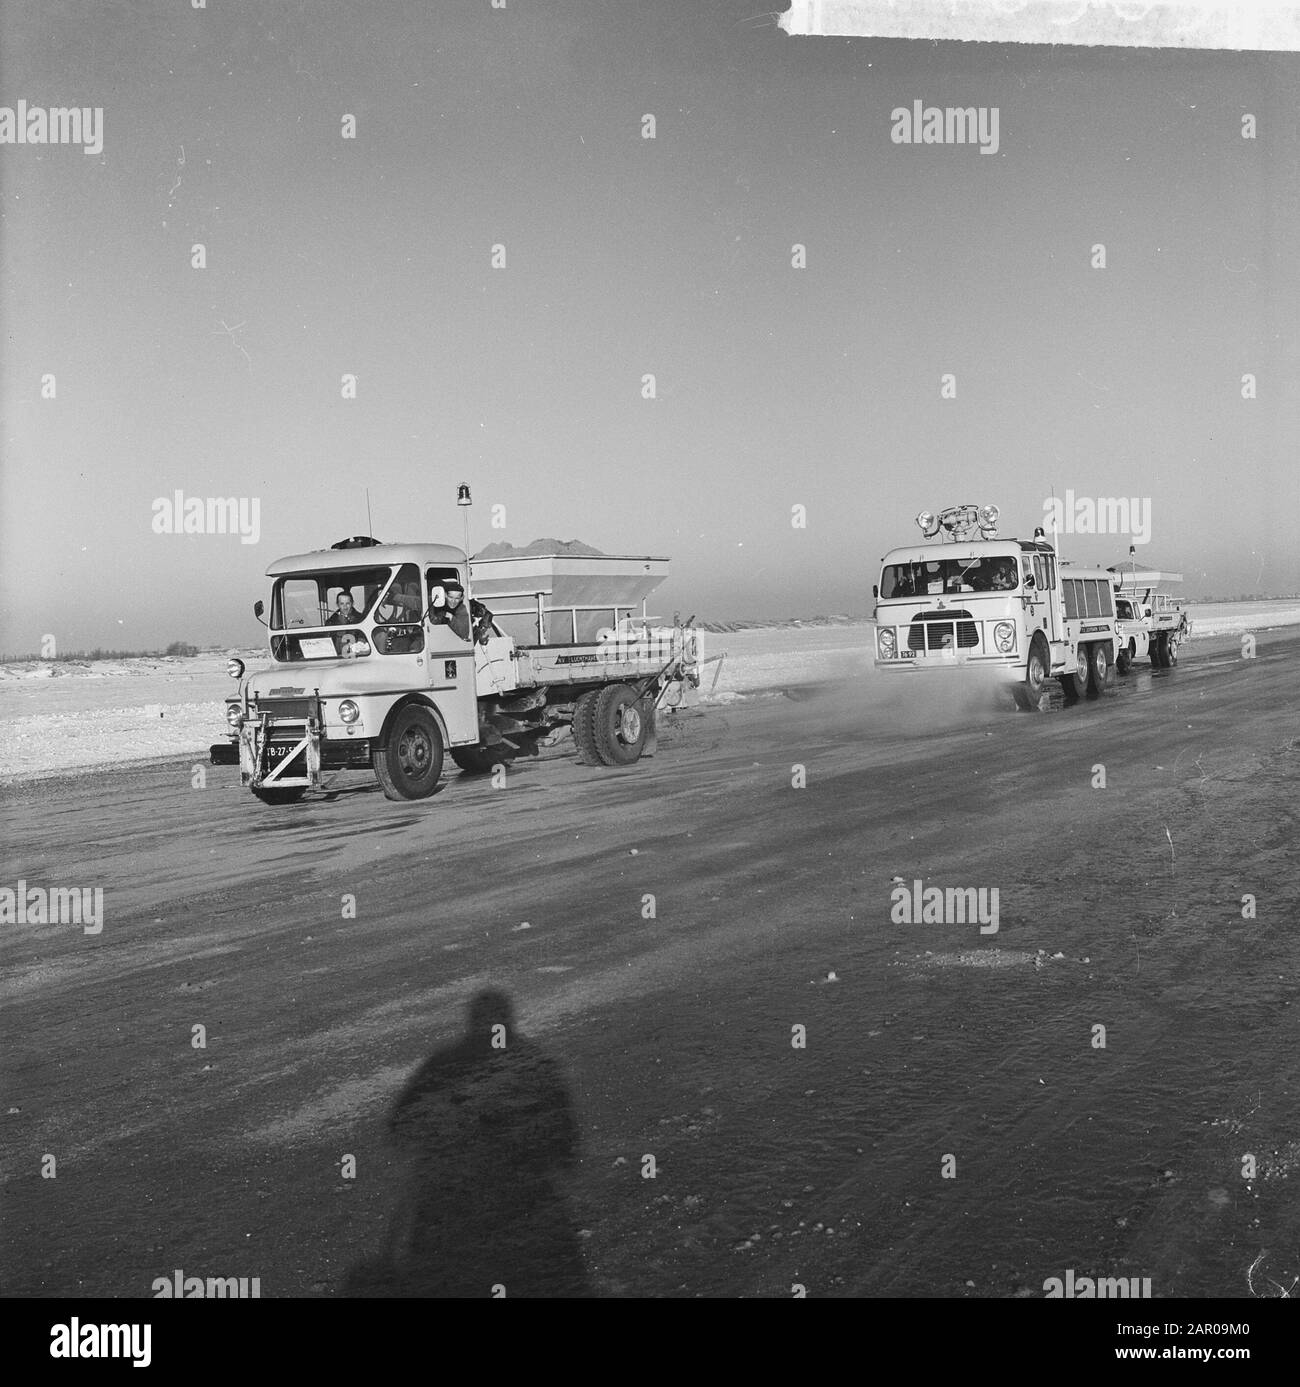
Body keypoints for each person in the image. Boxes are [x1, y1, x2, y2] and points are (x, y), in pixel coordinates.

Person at [433, 578, 495, 645]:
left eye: (457, 598)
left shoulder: (464, 607)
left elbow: (464, 633)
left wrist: (482, 631)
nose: (453, 601)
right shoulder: (436, 603)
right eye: (450, 597)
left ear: (461, 598)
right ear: (445, 595)